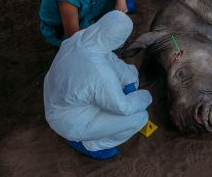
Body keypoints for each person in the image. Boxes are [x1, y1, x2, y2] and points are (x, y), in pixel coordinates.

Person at [44, 10, 152, 160]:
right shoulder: (100, 74)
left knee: (130, 77)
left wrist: (128, 83)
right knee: (140, 117)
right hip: (68, 122)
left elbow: (110, 58)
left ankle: (87, 131)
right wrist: (146, 96)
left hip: (56, 97)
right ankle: (91, 145)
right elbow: (123, 107)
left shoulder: (80, 37)